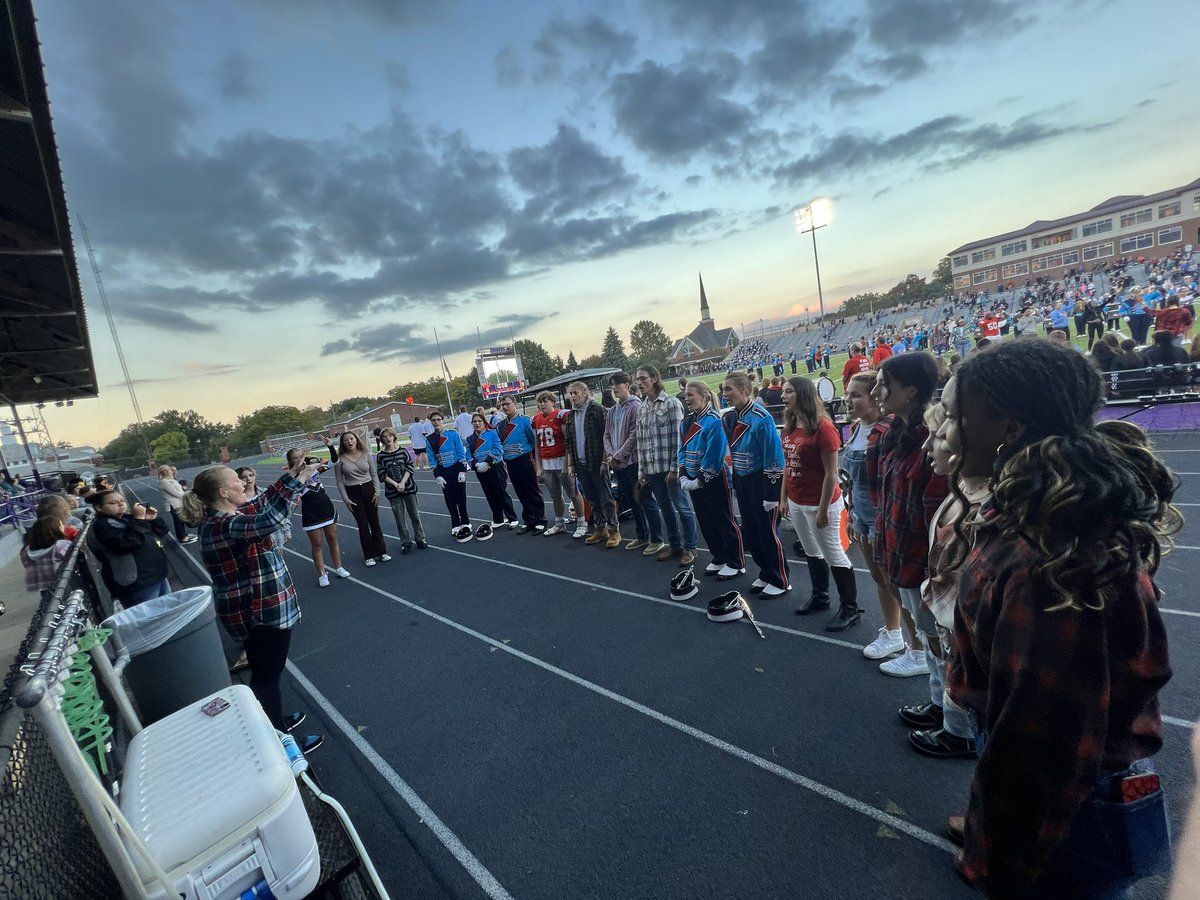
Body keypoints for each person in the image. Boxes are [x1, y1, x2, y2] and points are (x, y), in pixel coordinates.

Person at [945, 339, 1177, 897]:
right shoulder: (1034, 509)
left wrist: (997, 854)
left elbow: (1044, 743)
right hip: (1029, 752)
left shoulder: (1047, 563)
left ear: (1008, 428)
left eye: (957, 418)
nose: (948, 434)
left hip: (1064, 796)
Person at [181, 457, 322, 752]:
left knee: (268, 671)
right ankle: (282, 743)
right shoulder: (225, 524)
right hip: (258, 612)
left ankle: (274, 718)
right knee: (266, 677)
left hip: (259, 609)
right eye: (236, 479)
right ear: (222, 492)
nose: (244, 482)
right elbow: (269, 520)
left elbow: (262, 503)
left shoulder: (228, 515)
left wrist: (293, 475)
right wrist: (302, 480)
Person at [870, 354, 966, 745]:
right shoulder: (896, 433)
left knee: (943, 645)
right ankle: (938, 704)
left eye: (884, 383)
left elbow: (935, 519)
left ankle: (958, 730)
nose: (878, 392)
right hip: (902, 556)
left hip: (923, 564)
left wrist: (932, 571)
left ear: (910, 390)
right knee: (929, 642)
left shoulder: (930, 442)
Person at [841, 373, 920, 663]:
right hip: (861, 514)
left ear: (876, 398)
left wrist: (880, 521)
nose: (848, 400)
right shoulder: (853, 428)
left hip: (882, 517)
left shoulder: (888, 431)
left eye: (856, 395)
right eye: (848, 394)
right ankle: (893, 631)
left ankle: (920, 647)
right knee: (879, 578)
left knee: (896, 582)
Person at [780, 376, 859, 628]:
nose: (783, 396)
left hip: (820, 503)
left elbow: (831, 474)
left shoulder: (823, 428)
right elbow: (787, 466)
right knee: (812, 551)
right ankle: (820, 597)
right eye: (783, 392)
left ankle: (850, 609)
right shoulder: (791, 426)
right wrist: (783, 498)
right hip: (797, 501)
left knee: (833, 553)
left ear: (802, 394)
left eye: (789, 391)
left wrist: (823, 509)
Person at [721, 373, 789, 596]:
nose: (724, 394)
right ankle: (765, 571)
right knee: (751, 528)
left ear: (743, 389)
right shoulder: (729, 418)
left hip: (761, 479)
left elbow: (775, 457)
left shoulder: (762, 418)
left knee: (767, 530)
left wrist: (772, 493)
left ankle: (780, 578)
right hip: (742, 478)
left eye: (729, 389)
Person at [678, 380, 743, 578]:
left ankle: (736, 561)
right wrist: (682, 474)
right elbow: (682, 449)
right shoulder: (686, 421)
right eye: (686, 395)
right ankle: (719, 555)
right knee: (705, 520)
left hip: (713, 478)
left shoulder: (715, 420)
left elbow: (714, 454)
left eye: (691, 395)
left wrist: (700, 479)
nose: (687, 399)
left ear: (705, 396)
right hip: (691, 476)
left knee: (723, 519)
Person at [635, 365, 698, 564]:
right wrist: (642, 470)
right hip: (652, 469)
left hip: (669, 469)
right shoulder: (642, 407)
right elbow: (641, 441)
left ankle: (691, 547)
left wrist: (675, 468)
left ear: (654, 378)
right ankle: (675, 545)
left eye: (642, 378)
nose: (639, 383)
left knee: (682, 506)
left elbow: (679, 439)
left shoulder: (671, 404)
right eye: (637, 379)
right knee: (666, 508)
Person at [604, 373, 660, 552]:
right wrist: (611, 455)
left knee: (644, 499)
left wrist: (618, 455)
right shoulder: (613, 409)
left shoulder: (636, 406)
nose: (614, 388)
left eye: (617, 384)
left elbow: (634, 435)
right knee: (631, 500)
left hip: (633, 462)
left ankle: (656, 538)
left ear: (627, 385)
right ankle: (642, 535)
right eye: (612, 385)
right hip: (618, 464)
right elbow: (606, 435)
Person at [87, 490, 172, 606]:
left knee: (169, 612)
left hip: (157, 576)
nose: (121, 504)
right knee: (152, 618)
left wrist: (152, 519)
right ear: (99, 507)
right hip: (138, 584)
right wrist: (139, 520)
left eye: (122, 501)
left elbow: (161, 531)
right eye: (113, 503)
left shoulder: (128, 518)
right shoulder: (101, 526)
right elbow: (129, 543)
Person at [283, 447, 350, 586]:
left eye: (300, 456)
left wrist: (331, 446)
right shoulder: (292, 476)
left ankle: (339, 567)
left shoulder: (314, 468)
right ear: (290, 461)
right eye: (294, 458)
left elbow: (334, 461)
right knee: (317, 543)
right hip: (310, 511)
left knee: (332, 538)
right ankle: (322, 574)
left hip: (325, 506)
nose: (298, 459)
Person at [565, 381, 621, 548]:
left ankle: (614, 530)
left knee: (606, 498)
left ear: (585, 392)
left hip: (597, 461)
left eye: (576, 393)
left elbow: (607, 436)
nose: (573, 396)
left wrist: (605, 460)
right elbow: (569, 442)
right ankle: (600, 528)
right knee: (592, 499)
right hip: (581, 464)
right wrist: (570, 464)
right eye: (571, 393)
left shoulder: (597, 410)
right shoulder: (571, 415)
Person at [333, 431, 390, 567]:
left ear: (356, 440)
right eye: (346, 440)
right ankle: (369, 555)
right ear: (343, 443)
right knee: (363, 524)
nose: (349, 442)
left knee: (374, 522)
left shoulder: (366, 454)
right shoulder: (339, 459)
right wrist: (346, 499)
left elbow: (374, 474)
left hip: (369, 489)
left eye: (351, 439)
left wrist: (377, 492)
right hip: (353, 492)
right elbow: (339, 481)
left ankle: (381, 551)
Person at [532, 391, 582, 538]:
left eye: (545, 401)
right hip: (547, 462)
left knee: (573, 493)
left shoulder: (560, 416)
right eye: (540, 401)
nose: (542, 404)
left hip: (561, 459)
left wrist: (568, 464)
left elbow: (568, 442)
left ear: (552, 402)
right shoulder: (536, 419)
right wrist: (538, 466)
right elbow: (537, 445)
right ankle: (560, 523)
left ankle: (581, 522)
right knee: (555, 495)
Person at [497, 394, 547, 534]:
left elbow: (534, 443)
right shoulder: (500, 425)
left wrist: (538, 464)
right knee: (520, 492)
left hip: (525, 459)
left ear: (515, 404)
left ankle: (540, 520)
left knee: (532, 491)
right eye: (503, 405)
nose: (505, 407)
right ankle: (529, 520)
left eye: (507, 403)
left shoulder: (526, 421)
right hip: (511, 463)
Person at [376, 427, 427, 553]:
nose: (387, 438)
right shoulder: (381, 456)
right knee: (399, 519)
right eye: (384, 437)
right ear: (381, 439)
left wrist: (403, 482)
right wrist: (396, 484)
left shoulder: (403, 452)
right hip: (393, 491)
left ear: (394, 436)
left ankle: (420, 538)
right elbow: (381, 474)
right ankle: (405, 542)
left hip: (408, 488)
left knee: (414, 515)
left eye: (390, 436)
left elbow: (410, 467)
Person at [465, 413, 517, 532]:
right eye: (474, 422)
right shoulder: (469, 439)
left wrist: (487, 462)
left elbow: (498, 448)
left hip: (495, 467)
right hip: (480, 469)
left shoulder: (492, 433)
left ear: (484, 422)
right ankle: (498, 519)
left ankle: (512, 518)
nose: (477, 424)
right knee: (490, 494)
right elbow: (467, 454)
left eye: (479, 421)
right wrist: (475, 464)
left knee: (501, 492)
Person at [427, 411, 473, 540]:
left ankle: (466, 522)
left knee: (461, 498)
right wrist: (437, 475)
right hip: (443, 472)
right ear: (431, 422)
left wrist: (462, 470)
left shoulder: (452, 434)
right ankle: (455, 524)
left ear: (442, 420)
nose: (436, 422)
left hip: (456, 470)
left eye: (438, 419)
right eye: (433, 420)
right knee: (450, 500)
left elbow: (461, 453)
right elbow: (432, 459)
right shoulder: (429, 439)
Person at [21, 516, 73, 594]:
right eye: (61, 525)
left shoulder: (25, 551)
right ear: (55, 529)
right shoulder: (61, 545)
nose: (63, 527)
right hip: (64, 585)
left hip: (44, 589)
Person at [158, 465, 195, 543]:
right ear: (165, 472)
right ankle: (182, 537)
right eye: (169, 470)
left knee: (181, 520)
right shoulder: (164, 482)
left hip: (179, 503)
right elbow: (175, 493)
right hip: (173, 505)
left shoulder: (171, 480)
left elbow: (181, 490)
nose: (171, 471)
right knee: (178, 521)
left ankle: (184, 535)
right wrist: (188, 495)